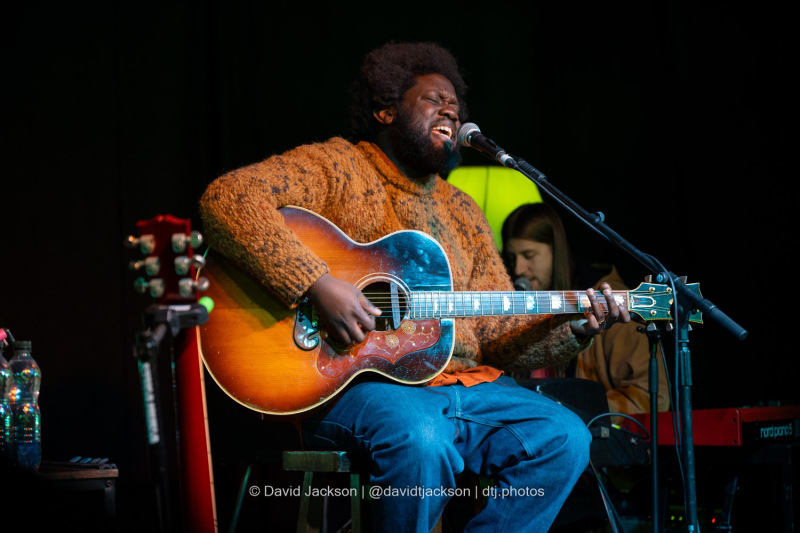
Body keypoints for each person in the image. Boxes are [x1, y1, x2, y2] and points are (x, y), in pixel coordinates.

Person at [199, 41, 630, 533]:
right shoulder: (338, 166)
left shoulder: (465, 211)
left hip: (467, 388)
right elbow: (229, 199)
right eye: (433, 99)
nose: (451, 109)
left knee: (564, 436)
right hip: (362, 385)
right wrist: (315, 283)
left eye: (456, 103)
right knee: (421, 436)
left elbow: (497, 334)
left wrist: (575, 327)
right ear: (385, 109)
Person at [501, 202, 669, 416]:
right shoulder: (516, 301)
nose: (518, 269)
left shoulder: (607, 302)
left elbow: (651, 395)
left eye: (529, 255)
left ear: (556, 251)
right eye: (512, 257)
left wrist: (572, 410)